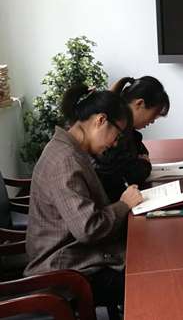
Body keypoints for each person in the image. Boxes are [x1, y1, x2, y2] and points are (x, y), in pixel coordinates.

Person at [25, 85, 143, 318]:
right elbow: (89, 229)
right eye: (118, 134)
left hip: (74, 256)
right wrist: (124, 205)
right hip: (65, 271)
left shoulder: (68, 149)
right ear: (100, 120)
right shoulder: (65, 161)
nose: (115, 143)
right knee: (146, 278)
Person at [94, 76, 170, 203]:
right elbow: (128, 176)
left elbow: (141, 154)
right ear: (139, 104)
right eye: (153, 115)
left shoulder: (129, 131)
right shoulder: (112, 131)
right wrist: (144, 165)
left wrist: (140, 163)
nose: (152, 121)